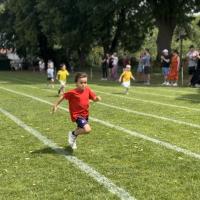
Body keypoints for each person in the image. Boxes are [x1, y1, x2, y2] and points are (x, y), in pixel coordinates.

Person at [52, 72, 101, 149]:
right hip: (77, 115)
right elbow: (63, 96)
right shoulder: (73, 92)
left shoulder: (87, 90)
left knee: (80, 129)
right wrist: (55, 105)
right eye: (81, 82)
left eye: (85, 82)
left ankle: (73, 140)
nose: (83, 84)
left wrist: (97, 99)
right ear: (76, 83)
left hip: (85, 114)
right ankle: (72, 134)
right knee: (87, 129)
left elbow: (94, 98)